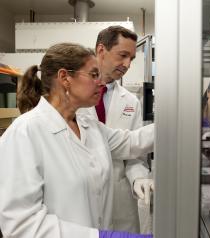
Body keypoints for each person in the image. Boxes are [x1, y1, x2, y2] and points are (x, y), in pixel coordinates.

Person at [0, 42, 153, 238]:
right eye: (93, 75)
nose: (101, 82)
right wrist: (99, 236)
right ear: (65, 77)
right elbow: (22, 225)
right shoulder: (24, 133)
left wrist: (182, 121)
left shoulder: (89, 125)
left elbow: (131, 142)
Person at [78, 26, 153, 233]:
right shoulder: (74, 97)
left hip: (120, 199)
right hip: (84, 197)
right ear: (101, 51)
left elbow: (135, 153)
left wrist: (139, 177)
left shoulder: (131, 101)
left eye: (132, 59)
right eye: (123, 55)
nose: (127, 64)